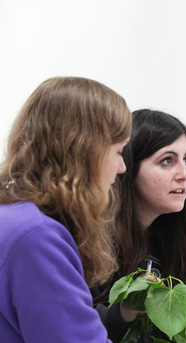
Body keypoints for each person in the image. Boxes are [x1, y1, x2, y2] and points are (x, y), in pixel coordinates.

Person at [0, 76, 131, 342]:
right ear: (85, 152)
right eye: (118, 152)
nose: (122, 168)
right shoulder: (37, 237)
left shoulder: (13, 215)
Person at [94, 109, 186, 342]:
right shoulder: (90, 240)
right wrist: (123, 313)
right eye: (167, 161)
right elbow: (71, 329)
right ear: (127, 167)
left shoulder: (179, 234)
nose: (184, 174)